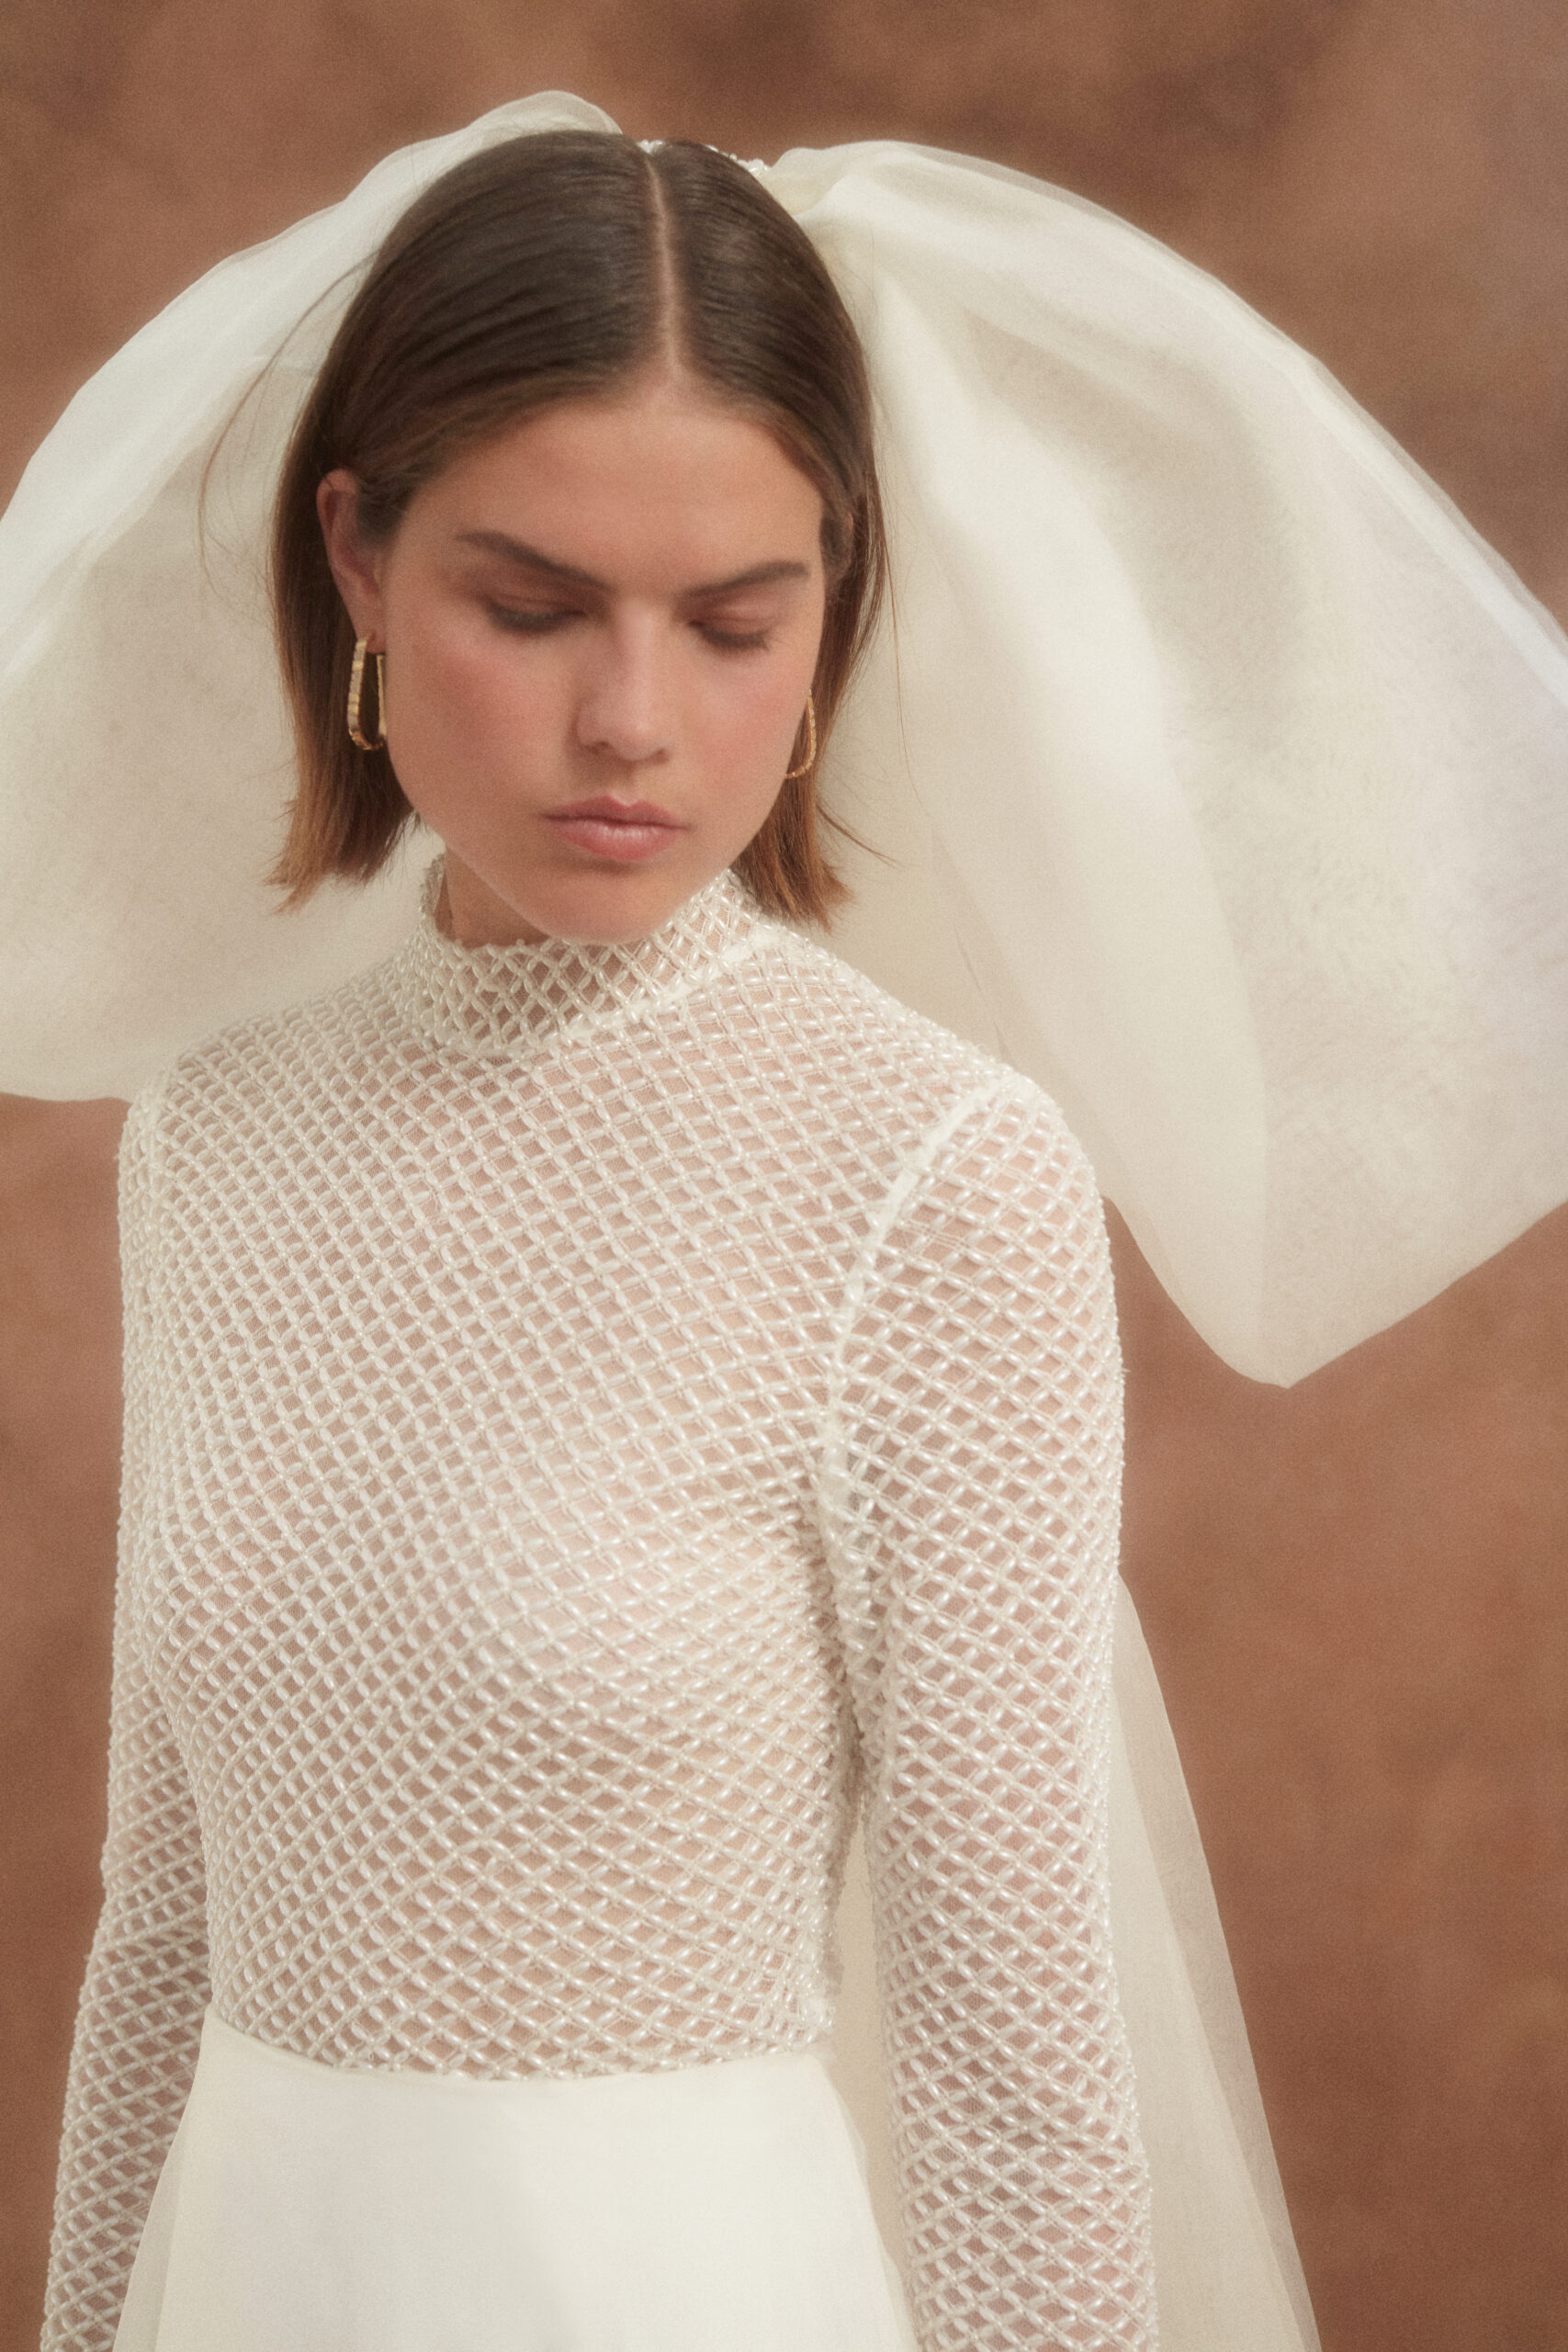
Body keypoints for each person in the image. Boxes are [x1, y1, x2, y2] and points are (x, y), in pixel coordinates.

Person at [38, 125, 1157, 2352]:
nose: (632, 720)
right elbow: (159, 1924)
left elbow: (1012, 2053)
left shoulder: (926, 1173)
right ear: (356, 559)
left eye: (734, 622)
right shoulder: (210, 1136)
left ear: (830, 603)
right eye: (532, 607)